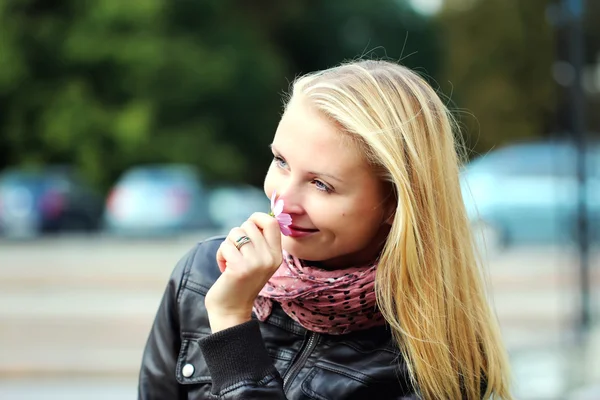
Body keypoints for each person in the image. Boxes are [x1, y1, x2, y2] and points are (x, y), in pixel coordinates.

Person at [137, 59, 513, 400]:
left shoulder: (428, 363)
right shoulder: (203, 273)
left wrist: (232, 326)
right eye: (281, 161)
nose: (283, 200)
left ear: (394, 205)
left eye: (321, 184)